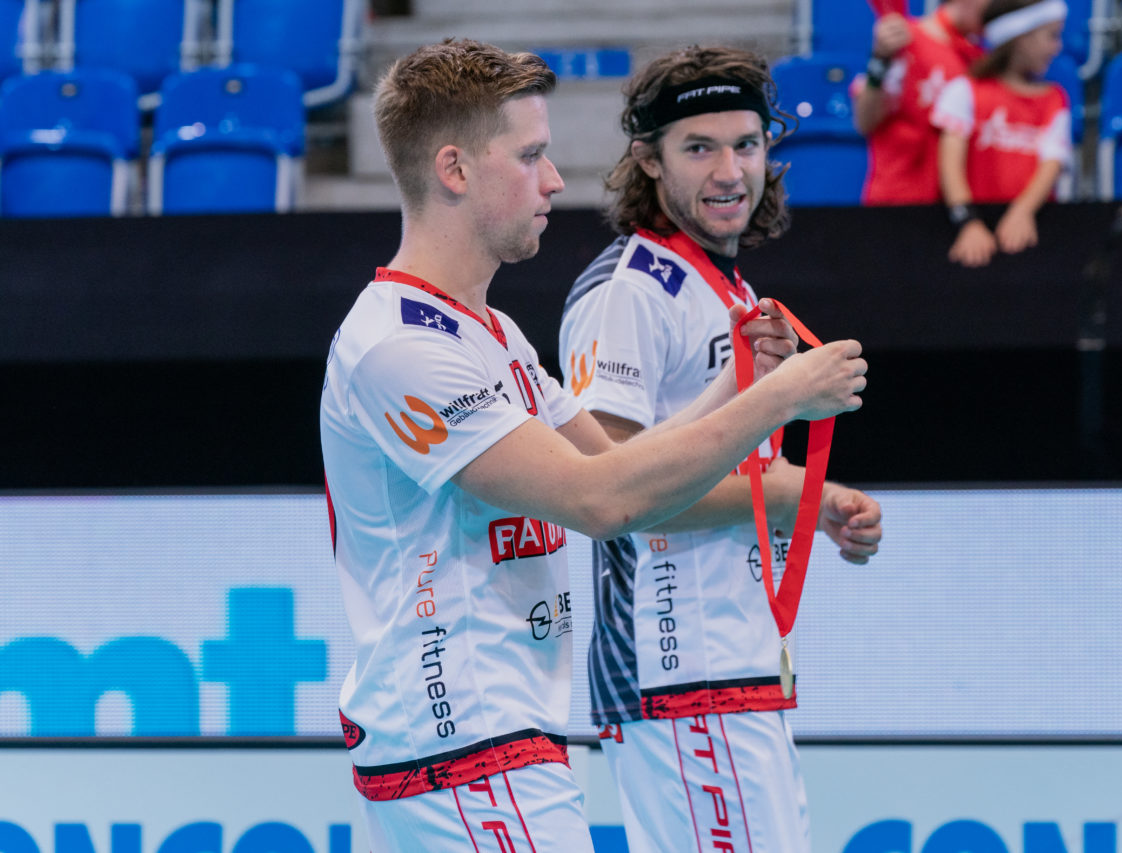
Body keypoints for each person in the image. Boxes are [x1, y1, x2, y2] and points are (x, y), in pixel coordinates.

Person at [319, 38, 869, 851]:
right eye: (532, 155)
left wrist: (740, 383)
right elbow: (602, 503)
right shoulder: (399, 345)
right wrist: (781, 399)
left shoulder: (491, 332)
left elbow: (615, 464)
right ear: (455, 170)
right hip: (459, 750)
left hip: (509, 744)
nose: (554, 180)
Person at [558, 45, 884, 853]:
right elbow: (613, 492)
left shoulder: (730, 290)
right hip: (678, 669)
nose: (730, 169)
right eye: (698, 147)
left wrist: (823, 499)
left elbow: (723, 458)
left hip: (736, 666)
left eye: (745, 143)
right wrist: (784, 496)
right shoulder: (630, 288)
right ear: (649, 161)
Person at [931, 0, 1072, 267]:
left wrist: (1023, 211)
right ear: (1021, 38)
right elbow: (950, 165)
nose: (1058, 47)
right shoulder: (965, 91)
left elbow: (1052, 162)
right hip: (972, 230)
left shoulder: (1054, 100)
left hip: (1031, 230)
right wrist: (968, 221)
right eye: (1051, 36)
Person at [852, 0, 990, 205]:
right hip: (899, 201)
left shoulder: (979, 59)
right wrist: (880, 60)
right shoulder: (904, 39)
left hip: (953, 205)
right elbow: (865, 121)